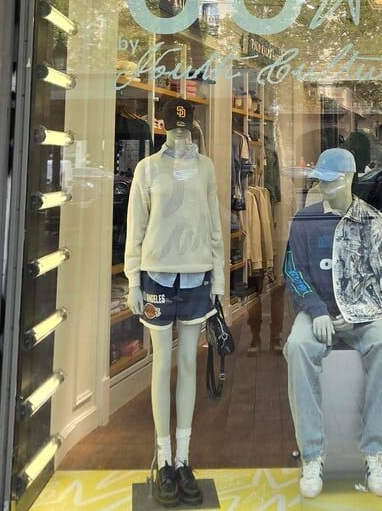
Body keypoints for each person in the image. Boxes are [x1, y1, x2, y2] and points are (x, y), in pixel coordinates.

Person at [283, 148, 382, 499]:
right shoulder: (305, 220)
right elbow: (292, 269)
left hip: (364, 311)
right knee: (298, 347)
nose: (322, 185)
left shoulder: (373, 221)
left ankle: (376, 452)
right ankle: (312, 455)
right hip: (318, 312)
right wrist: (315, 310)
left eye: (330, 178)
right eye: (320, 178)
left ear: (348, 178)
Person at [125, 98, 223, 508]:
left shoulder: (206, 169)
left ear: (193, 128)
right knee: (162, 364)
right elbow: (136, 226)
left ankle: (184, 459)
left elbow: (215, 227)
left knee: (188, 363)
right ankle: (163, 460)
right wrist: (133, 280)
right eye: (173, 127)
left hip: (197, 274)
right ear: (163, 127)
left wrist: (219, 282)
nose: (180, 134)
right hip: (158, 276)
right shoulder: (147, 169)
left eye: (185, 128)